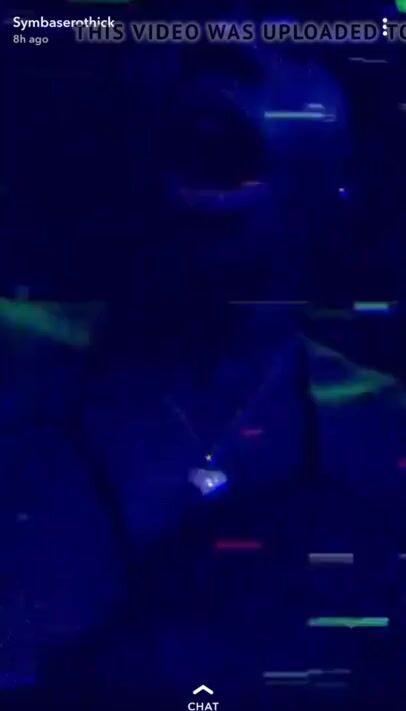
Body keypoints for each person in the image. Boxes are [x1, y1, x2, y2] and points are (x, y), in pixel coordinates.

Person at [2, 33, 406, 711]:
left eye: (294, 35)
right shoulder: (14, 368)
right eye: (187, 21)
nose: (225, 41)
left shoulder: (386, 438)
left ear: (351, 171)